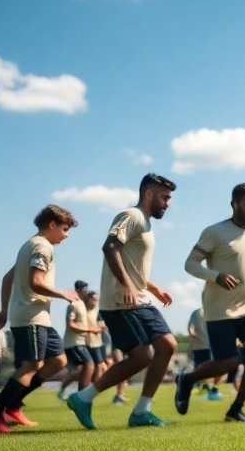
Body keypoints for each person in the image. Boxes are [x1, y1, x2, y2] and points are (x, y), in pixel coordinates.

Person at [65, 173, 178, 429]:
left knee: (166, 346)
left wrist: (153, 287)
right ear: (149, 194)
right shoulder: (131, 216)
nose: (167, 203)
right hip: (121, 301)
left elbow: (132, 266)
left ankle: (140, 411)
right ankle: (84, 398)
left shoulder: (146, 224)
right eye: (165, 197)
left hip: (140, 298)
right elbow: (110, 246)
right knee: (142, 356)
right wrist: (127, 284)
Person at [173, 182, 245, 423]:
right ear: (234, 204)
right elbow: (190, 264)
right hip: (219, 309)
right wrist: (216, 276)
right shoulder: (214, 232)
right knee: (228, 362)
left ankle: (236, 409)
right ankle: (187, 380)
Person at [0, 204, 81, 433]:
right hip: (31, 315)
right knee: (32, 365)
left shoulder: (29, 245)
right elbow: (35, 282)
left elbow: (8, 279)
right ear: (52, 224)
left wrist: (4, 311)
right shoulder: (42, 247)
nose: (66, 235)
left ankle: (14, 406)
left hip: (38, 317)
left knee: (58, 361)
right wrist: (63, 293)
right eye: (65, 229)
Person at [58, 288, 99, 400]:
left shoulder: (86, 309)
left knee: (83, 369)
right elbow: (70, 324)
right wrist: (89, 330)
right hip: (74, 342)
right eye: (84, 291)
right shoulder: (74, 305)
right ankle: (82, 396)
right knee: (89, 365)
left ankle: (68, 389)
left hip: (83, 343)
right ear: (78, 291)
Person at [187, 305, 221, 401]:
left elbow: (190, 327)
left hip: (200, 345)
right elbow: (190, 327)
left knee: (202, 369)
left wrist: (191, 333)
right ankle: (207, 389)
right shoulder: (211, 312)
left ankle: (203, 387)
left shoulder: (196, 312)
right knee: (206, 369)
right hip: (205, 346)